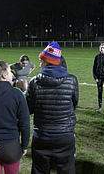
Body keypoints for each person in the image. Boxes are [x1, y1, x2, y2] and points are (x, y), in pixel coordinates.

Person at [26, 42, 79, 174]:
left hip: (42, 136)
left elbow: (29, 108)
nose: (39, 64)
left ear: (47, 62)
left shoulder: (34, 82)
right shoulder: (72, 80)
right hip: (65, 136)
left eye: (41, 61)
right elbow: (74, 104)